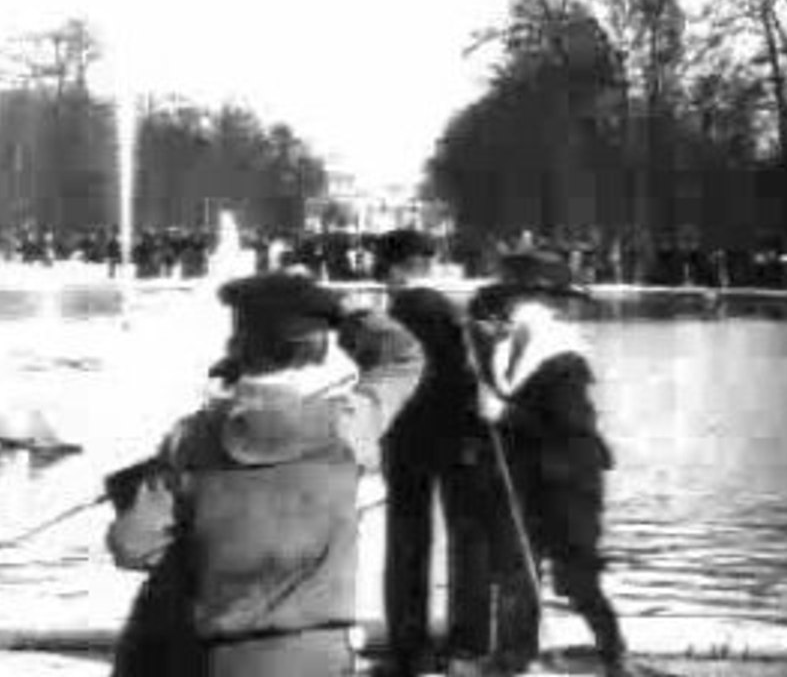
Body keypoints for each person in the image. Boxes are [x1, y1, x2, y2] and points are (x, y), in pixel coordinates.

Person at [105, 272, 424, 677]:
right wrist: (342, 312)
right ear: (316, 348)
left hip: (221, 657)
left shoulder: (191, 438)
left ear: (237, 345)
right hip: (320, 655)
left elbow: (132, 546)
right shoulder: (347, 425)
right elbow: (402, 357)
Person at [468, 249, 629, 676]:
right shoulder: (506, 345)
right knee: (516, 569)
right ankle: (513, 660)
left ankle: (614, 655)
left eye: (516, 298)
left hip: (570, 479)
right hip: (525, 477)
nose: (509, 306)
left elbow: (569, 428)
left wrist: (505, 413)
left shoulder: (564, 355)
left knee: (576, 576)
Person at [373, 229, 500, 677]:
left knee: (407, 542)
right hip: (462, 436)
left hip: (410, 438)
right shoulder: (452, 311)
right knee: (469, 543)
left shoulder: (399, 312)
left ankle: (410, 649)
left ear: (393, 269)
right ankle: (470, 644)